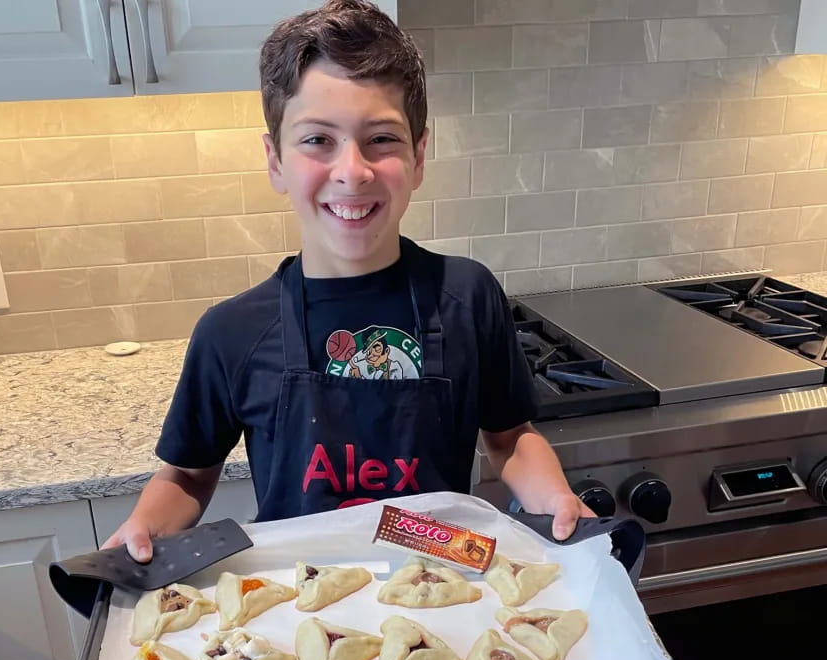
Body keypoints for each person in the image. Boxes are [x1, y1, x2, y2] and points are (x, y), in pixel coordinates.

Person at [104, 0, 594, 562]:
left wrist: (554, 496)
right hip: (304, 598)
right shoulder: (231, 332)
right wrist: (144, 525)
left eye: (382, 139)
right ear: (275, 161)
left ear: (419, 155)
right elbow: (188, 477)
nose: (352, 170)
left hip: (447, 587)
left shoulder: (468, 296)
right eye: (317, 140)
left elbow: (509, 439)